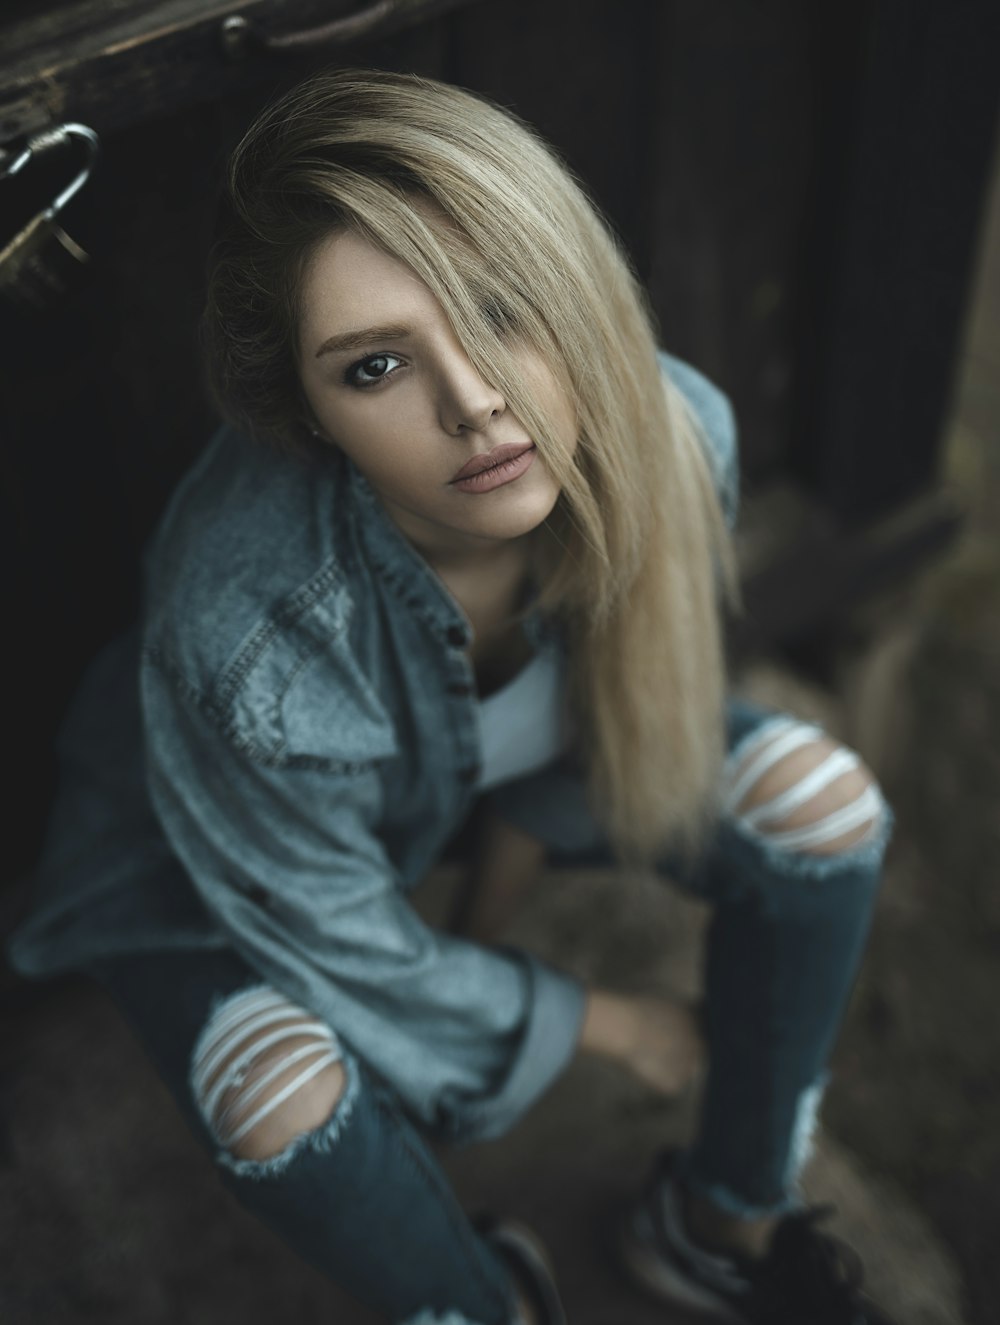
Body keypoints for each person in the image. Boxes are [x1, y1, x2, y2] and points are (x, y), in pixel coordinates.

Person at [7, 68, 896, 1325]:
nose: (474, 398)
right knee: (275, 1101)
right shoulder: (246, 632)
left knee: (826, 808)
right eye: (375, 365)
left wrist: (486, 909)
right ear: (306, 417)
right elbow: (329, 924)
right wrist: (608, 1019)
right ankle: (478, 1305)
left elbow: (591, 728)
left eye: (501, 306)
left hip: (453, 796)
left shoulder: (675, 434)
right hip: (207, 847)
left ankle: (726, 1223)